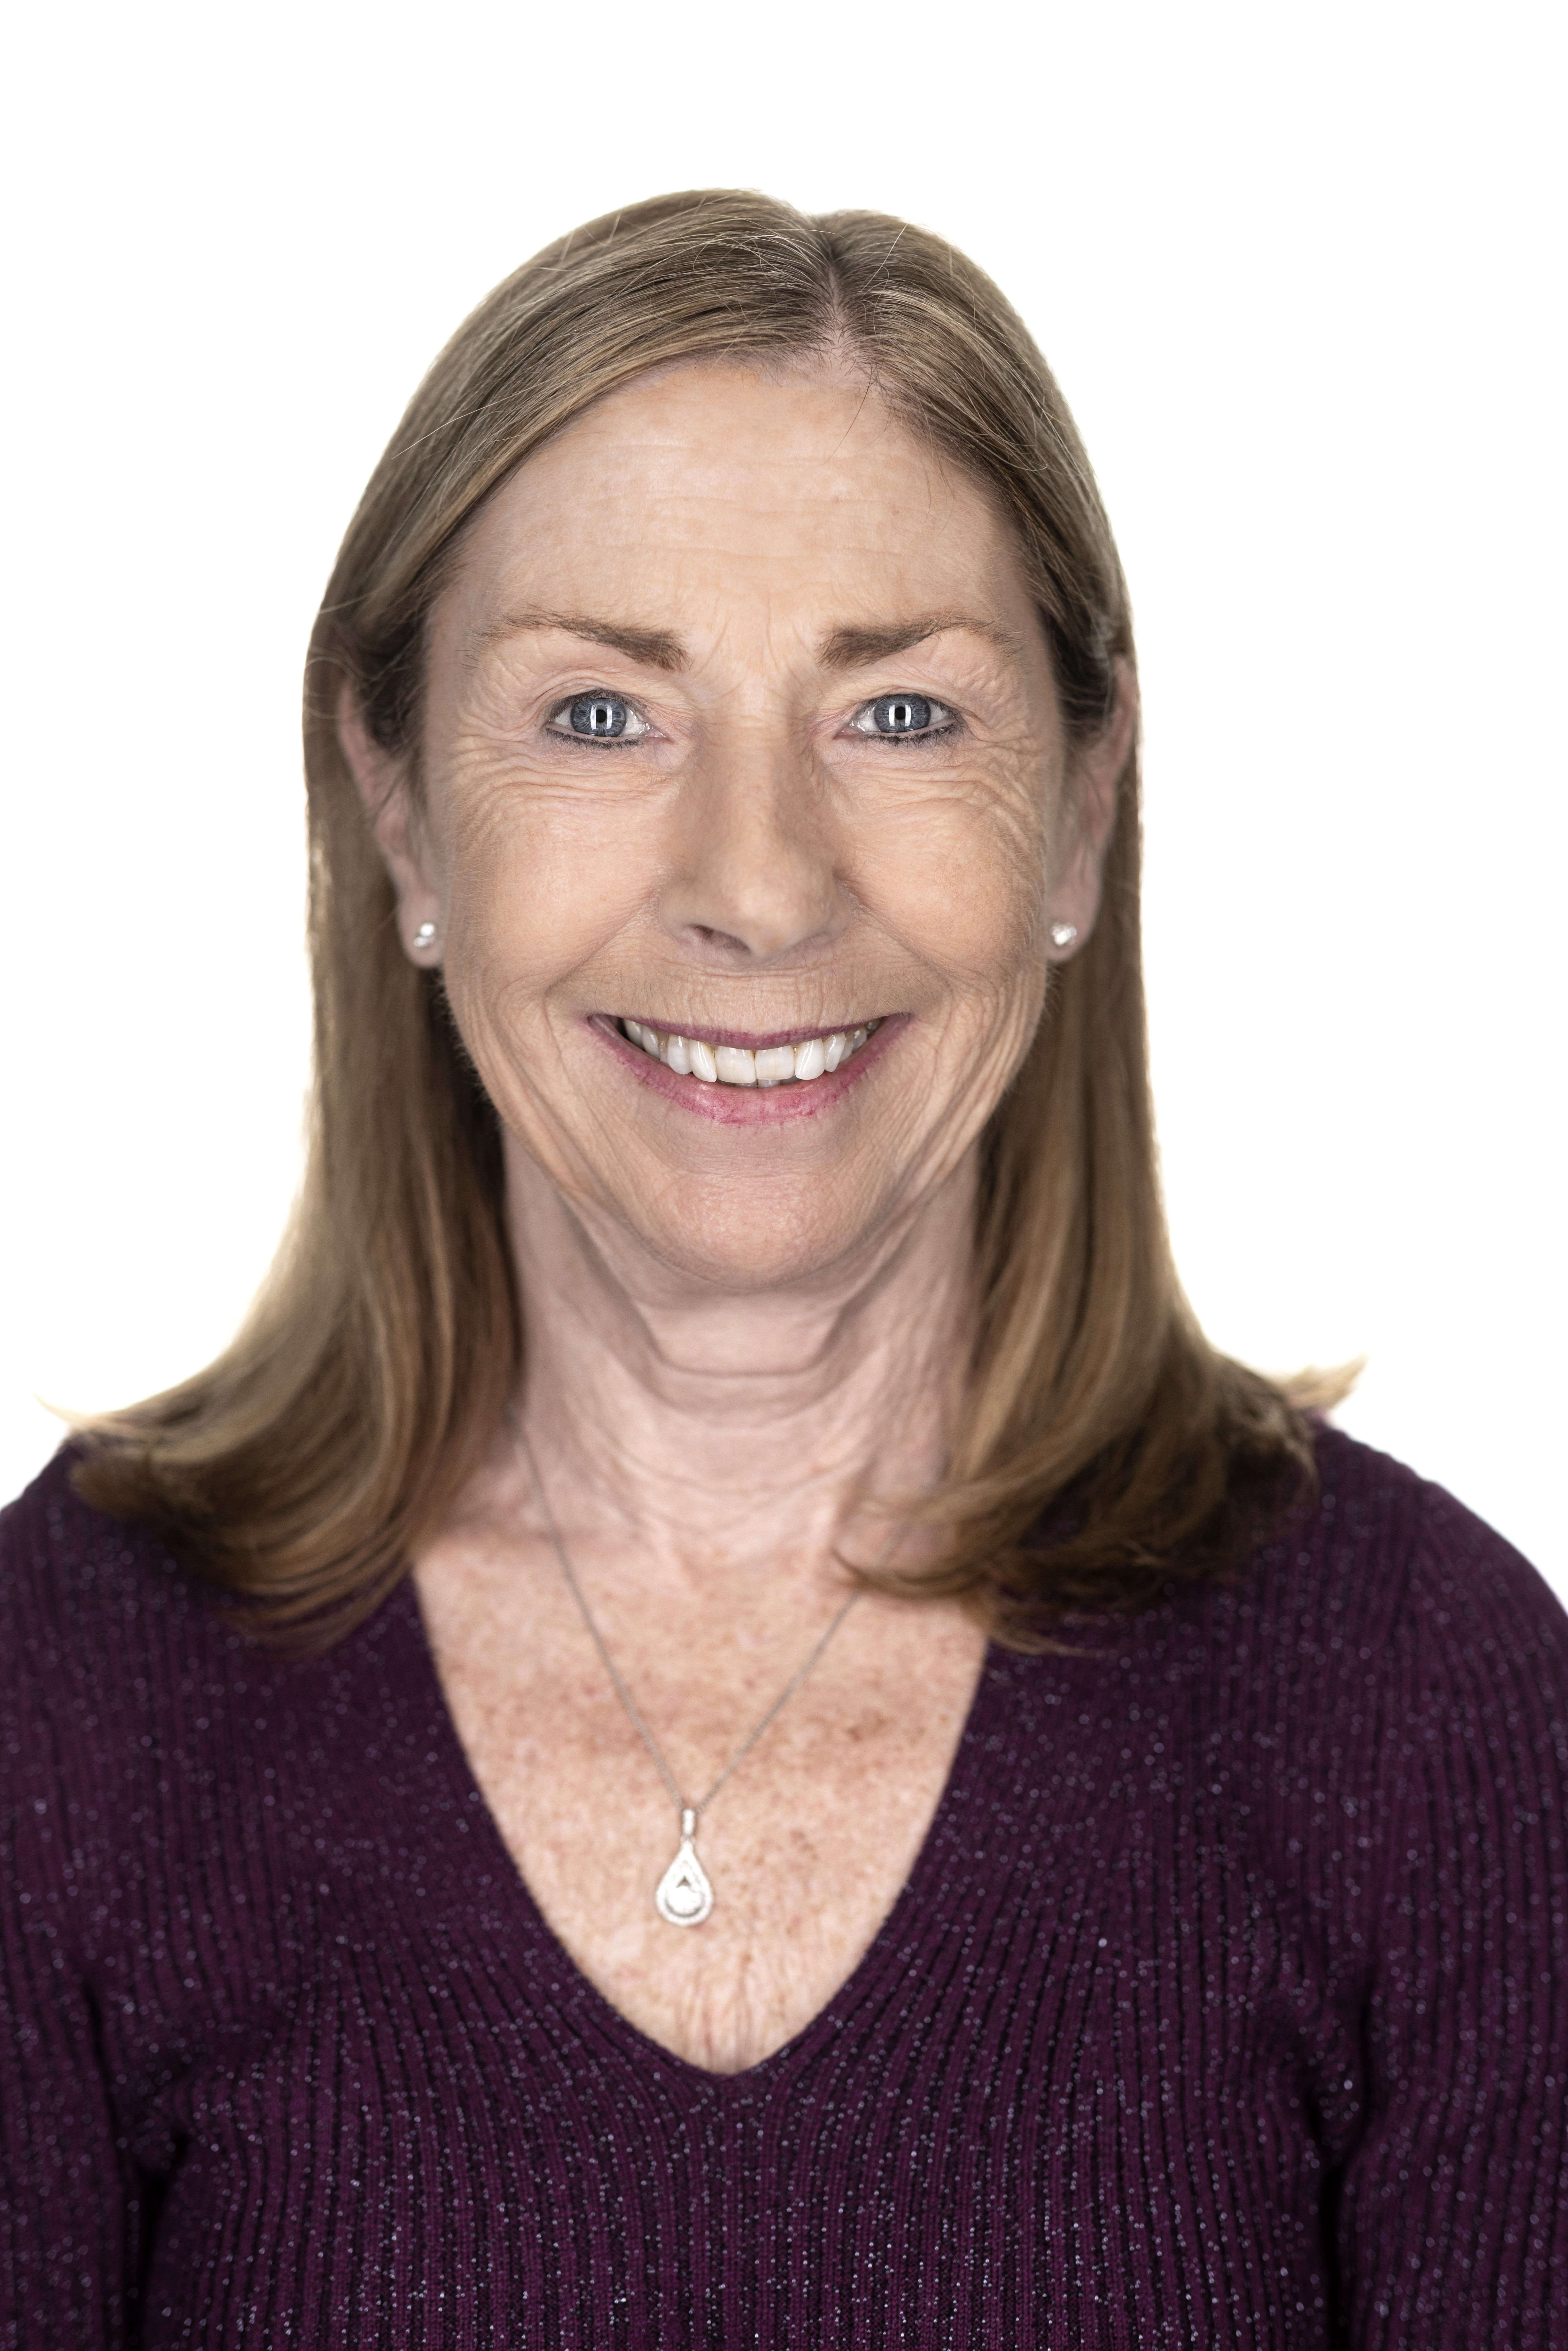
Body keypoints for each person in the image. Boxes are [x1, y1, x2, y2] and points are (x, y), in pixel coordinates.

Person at [2, 189, 1563, 2350]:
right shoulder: (60, 1697)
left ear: (1085, 813)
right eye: (599, 716)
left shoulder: (1432, 1711)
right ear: (395, 813)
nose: (755, 883)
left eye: (900, 718)